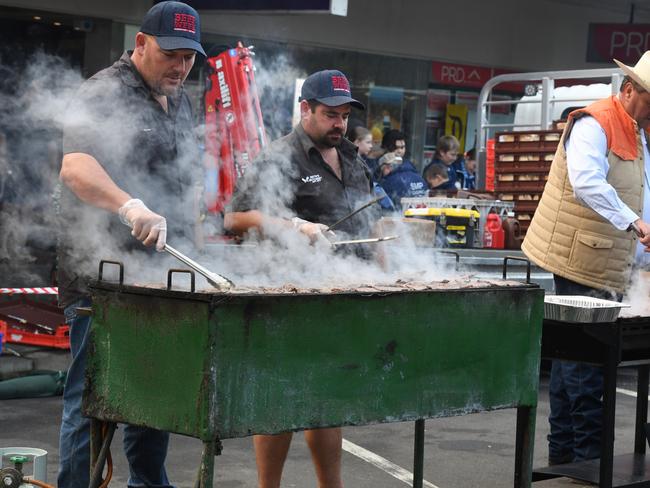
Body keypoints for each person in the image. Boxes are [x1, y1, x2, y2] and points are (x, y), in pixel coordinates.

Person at [56, 2, 205, 487]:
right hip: (101, 281)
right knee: (91, 403)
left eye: (189, 57)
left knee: (153, 401)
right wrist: (129, 206)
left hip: (157, 279)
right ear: (141, 44)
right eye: (171, 54)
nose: (181, 67)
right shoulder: (103, 91)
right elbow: (75, 168)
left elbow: (182, 181)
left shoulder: (181, 98)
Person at [225, 69, 377, 488]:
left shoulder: (351, 155)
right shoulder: (279, 157)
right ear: (305, 109)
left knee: (327, 397)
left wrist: (389, 269)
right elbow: (234, 217)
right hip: (290, 297)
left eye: (345, 115)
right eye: (331, 114)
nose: (339, 124)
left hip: (343, 294)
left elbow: (369, 219)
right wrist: (294, 226)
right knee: (281, 399)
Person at [522, 52, 650, 466]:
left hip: (605, 259)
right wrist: (637, 224)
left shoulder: (637, 128)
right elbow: (587, 182)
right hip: (581, 259)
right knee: (584, 370)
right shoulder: (595, 121)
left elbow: (640, 191)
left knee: (571, 367)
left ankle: (566, 462)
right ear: (628, 90)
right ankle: (587, 465)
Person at [376, 130, 428, 208]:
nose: (399, 151)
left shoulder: (411, 169)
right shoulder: (377, 166)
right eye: (395, 148)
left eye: (402, 147)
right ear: (385, 148)